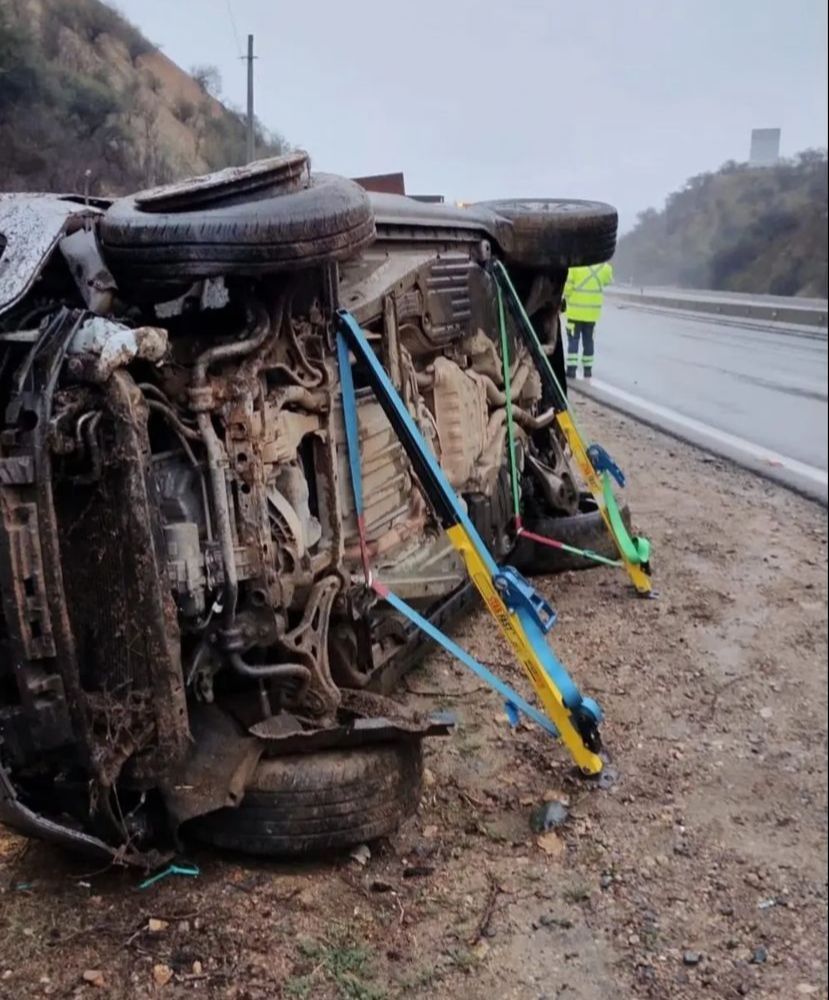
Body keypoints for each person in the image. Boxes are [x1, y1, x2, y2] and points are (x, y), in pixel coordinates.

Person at [564, 261, 614, 379]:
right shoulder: (604, 268)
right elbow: (608, 281)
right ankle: (588, 371)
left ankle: (571, 371)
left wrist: (565, 299)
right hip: (592, 315)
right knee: (588, 342)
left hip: (575, 313)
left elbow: (567, 288)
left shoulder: (575, 267)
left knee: (573, 341)